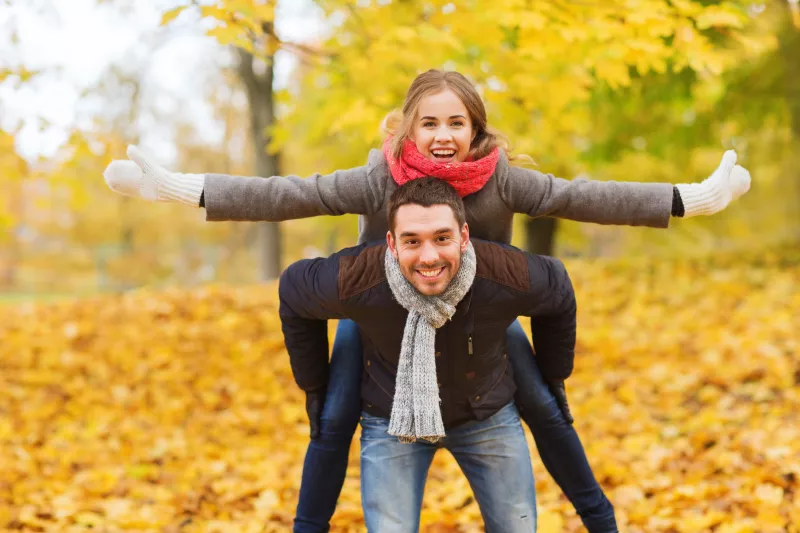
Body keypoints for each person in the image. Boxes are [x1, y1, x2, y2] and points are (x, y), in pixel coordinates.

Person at [102, 70, 751, 532]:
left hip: (477, 315)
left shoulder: (502, 180)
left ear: (475, 130)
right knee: (333, 422)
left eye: (457, 122)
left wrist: (687, 198)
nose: (443, 134)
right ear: (409, 128)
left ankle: (599, 520)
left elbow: (583, 195)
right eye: (430, 122)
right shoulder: (377, 177)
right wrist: (178, 189)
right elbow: (286, 193)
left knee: (549, 411)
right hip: (383, 310)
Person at [279, 177, 580, 532]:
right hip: (392, 419)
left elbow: (558, 288)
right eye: (412, 241)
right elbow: (293, 290)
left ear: (464, 236)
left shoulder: (503, 272)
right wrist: (314, 384)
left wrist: (554, 373)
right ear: (391, 243)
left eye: (442, 238)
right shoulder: (358, 278)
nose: (429, 256)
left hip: (487, 415)